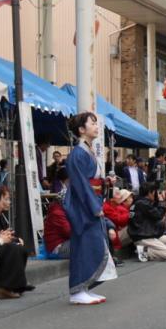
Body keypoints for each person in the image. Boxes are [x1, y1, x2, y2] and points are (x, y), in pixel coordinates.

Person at [63, 111, 116, 303]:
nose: (96, 126)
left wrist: (105, 182)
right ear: (81, 129)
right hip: (82, 205)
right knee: (85, 244)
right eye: (92, 123)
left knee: (93, 244)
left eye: (96, 123)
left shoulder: (86, 151)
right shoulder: (78, 153)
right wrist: (94, 206)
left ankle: (83, 287)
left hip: (88, 201)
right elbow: (80, 183)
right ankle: (77, 291)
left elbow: (91, 180)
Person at [128, 183, 166, 261]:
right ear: (151, 192)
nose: (156, 194)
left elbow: (153, 213)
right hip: (144, 237)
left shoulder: (138, 202)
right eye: (155, 192)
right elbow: (158, 215)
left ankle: (145, 249)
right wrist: (161, 201)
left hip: (140, 235)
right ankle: (145, 252)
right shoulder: (143, 203)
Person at [103, 187, 133, 252]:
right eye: (118, 194)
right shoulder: (107, 207)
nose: (120, 197)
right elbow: (119, 220)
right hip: (113, 236)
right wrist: (132, 214)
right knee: (135, 227)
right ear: (111, 198)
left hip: (117, 233)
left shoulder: (115, 206)